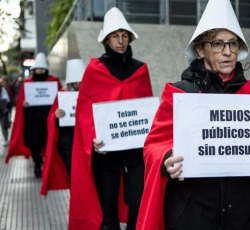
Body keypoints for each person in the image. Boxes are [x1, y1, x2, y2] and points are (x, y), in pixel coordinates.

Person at [136, 0, 250, 230]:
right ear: (200, 49)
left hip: (243, 214)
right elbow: (153, 146)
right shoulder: (179, 93)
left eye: (233, 44)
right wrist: (167, 159)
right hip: (192, 214)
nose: (228, 52)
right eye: (218, 44)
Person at [69, 7, 153, 230]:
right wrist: (93, 138)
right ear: (106, 39)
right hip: (106, 153)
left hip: (135, 153)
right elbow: (85, 112)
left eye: (124, 36)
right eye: (115, 36)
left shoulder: (140, 69)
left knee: (138, 202)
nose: (121, 41)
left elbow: (145, 110)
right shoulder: (94, 70)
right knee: (108, 210)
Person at [5, 52, 62, 179]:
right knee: (35, 145)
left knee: (49, 144)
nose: (40, 71)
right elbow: (20, 103)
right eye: (38, 69)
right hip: (33, 121)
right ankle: (37, 163)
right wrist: (24, 105)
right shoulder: (28, 83)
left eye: (42, 69)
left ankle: (47, 166)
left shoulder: (54, 82)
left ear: (46, 69)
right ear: (34, 70)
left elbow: (61, 99)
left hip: (49, 121)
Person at [40, 59, 85, 196]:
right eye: (75, 82)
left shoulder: (92, 93)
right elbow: (50, 118)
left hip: (86, 144)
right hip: (68, 144)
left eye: (80, 82)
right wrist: (56, 115)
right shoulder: (62, 95)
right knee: (74, 177)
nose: (78, 85)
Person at [0, 79, 10, 147]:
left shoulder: (2, 89)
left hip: (1, 110)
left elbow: (7, 99)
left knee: (4, 126)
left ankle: (6, 139)